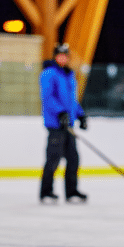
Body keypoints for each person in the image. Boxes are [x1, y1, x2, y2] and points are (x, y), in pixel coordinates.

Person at [39, 43, 88, 204]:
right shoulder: (49, 73)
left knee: (73, 158)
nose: (62, 58)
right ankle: (46, 192)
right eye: (59, 55)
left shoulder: (68, 74)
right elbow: (48, 98)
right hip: (55, 124)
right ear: (55, 56)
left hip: (68, 124)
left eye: (65, 55)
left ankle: (71, 192)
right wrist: (60, 112)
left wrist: (80, 115)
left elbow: (71, 100)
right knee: (53, 159)